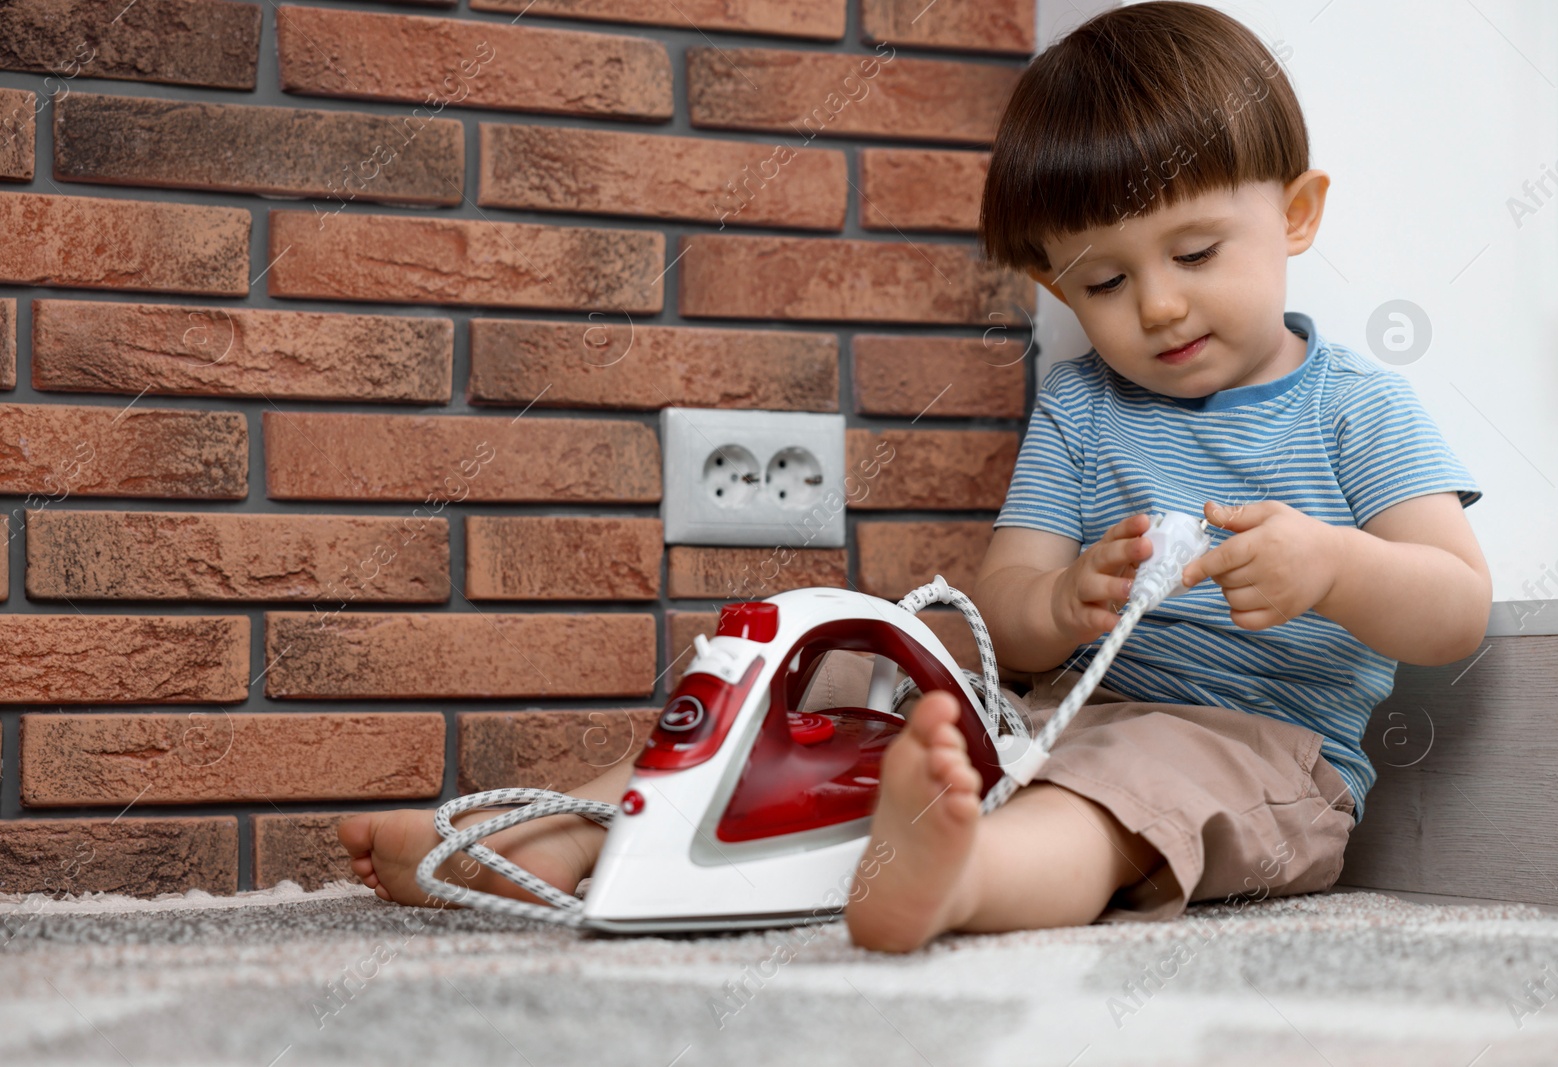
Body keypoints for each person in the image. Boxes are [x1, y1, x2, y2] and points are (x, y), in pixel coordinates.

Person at [339, 1, 1491, 954]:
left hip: (1261, 752)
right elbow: (1007, 602)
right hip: (1053, 720)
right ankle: (565, 838)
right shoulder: (1084, 406)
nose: (1156, 306)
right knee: (841, 715)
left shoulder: (1354, 403)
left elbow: (1454, 607)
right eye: (1099, 283)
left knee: (1116, 795)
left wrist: (1332, 564)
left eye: (1194, 254)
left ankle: (964, 877)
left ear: (1295, 215)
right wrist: (1064, 598)